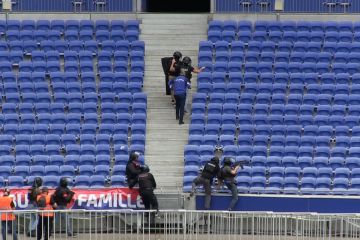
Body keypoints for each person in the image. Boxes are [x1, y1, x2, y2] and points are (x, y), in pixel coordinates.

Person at [169, 56, 205, 125]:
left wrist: (173, 62)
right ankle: (182, 113)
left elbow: (172, 69)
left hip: (177, 82)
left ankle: (177, 115)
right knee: (185, 99)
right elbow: (197, 71)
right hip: (185, 83)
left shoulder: (179, 66)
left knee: (178, 101)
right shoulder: (189, 68)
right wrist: (201, 69)